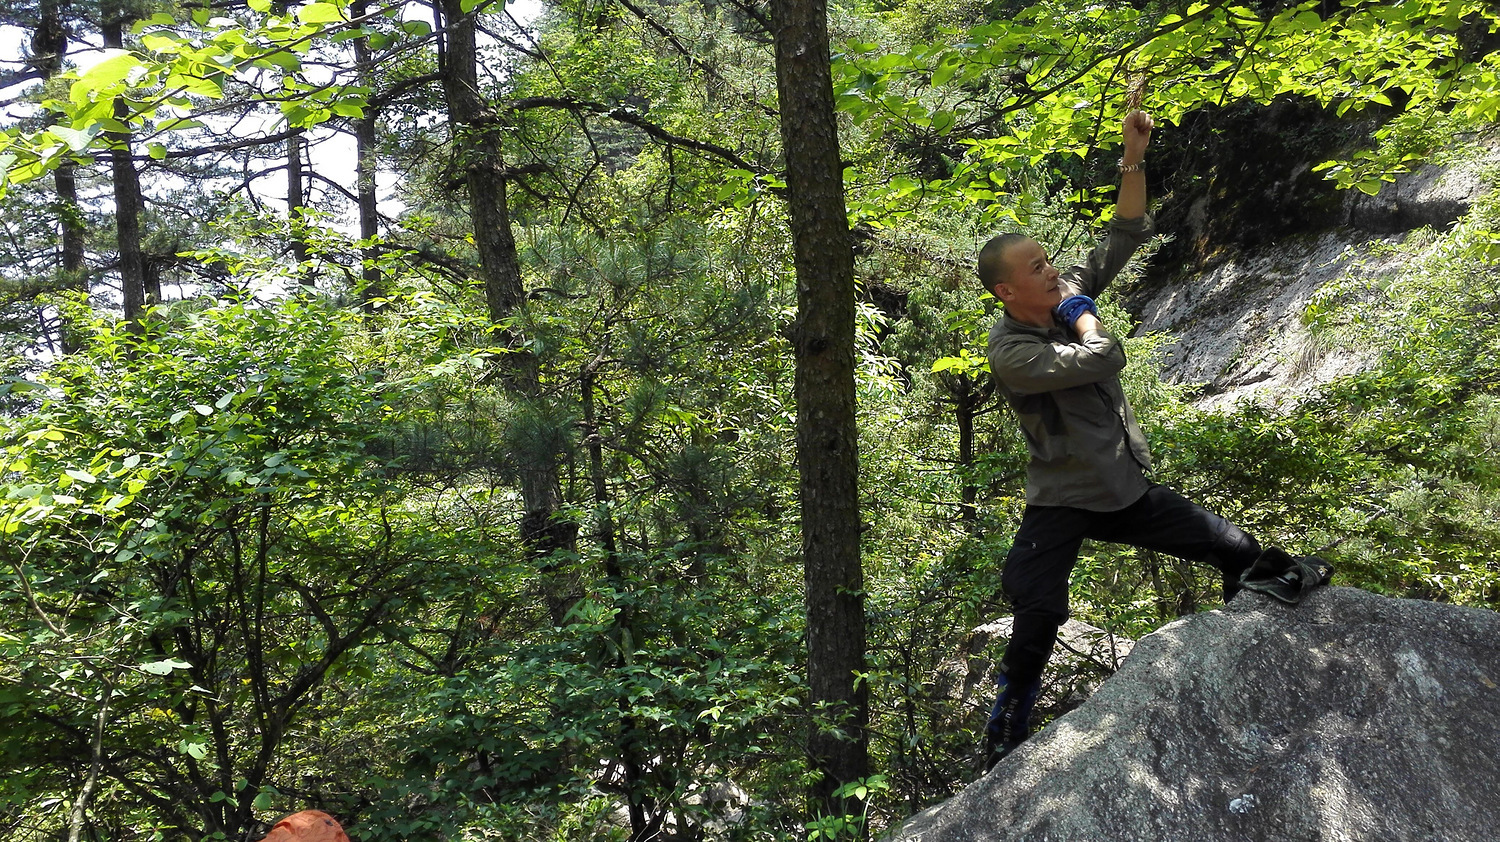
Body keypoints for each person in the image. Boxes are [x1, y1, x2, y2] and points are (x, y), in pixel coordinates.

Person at [976, 109, 1328, 771]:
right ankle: (1005, 728)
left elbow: (1124, 231)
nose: (1053, 272)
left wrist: (1133, 158)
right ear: (1006, 289)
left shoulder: (1064, 292)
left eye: (1050, 261)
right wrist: (1083, 314)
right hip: (1062, 496)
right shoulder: (1013, 350)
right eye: (1036, 268)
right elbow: (1105, 357)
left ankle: (1244, 662)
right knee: (1038, 611)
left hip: (1122, 485)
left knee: (1240, 552)